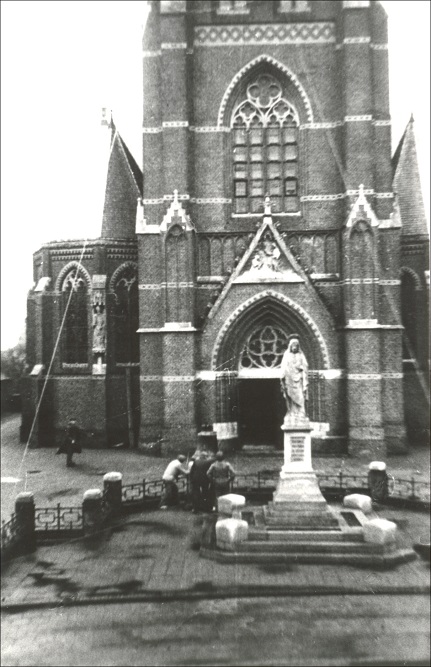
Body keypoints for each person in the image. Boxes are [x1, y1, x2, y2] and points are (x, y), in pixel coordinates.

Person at [280, 336, 309, 420]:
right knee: (290, 396)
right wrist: (282, 376)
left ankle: (301, 413)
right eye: (293, 346)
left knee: (300, 396)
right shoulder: (286, 355)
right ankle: (292, 412)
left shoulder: (301, 355)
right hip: (289, 380)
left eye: (296, 346)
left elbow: (305, 366)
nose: (294, 347)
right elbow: (283, 367)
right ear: (290, 346)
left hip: (298, 379)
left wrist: (301, 368)